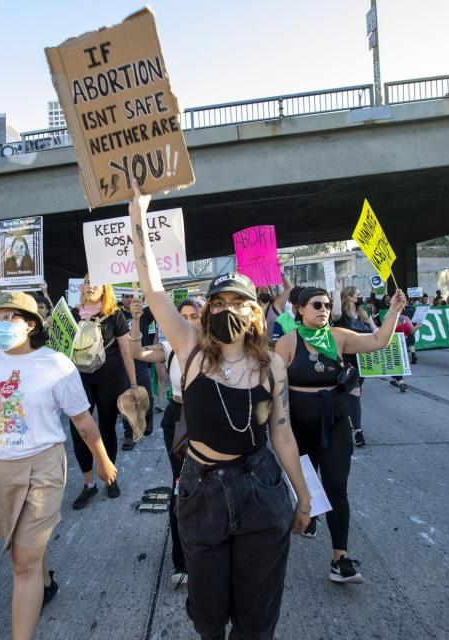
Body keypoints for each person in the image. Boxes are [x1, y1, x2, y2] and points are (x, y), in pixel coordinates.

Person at [129, 185, 310, 639]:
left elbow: (282, 434)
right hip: (202, 490)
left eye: (238, 303)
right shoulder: (189, 349)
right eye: (220, 303)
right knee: (208, 618)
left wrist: (303, 496)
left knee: (256, 620)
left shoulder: (271, 365)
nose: (228, 309)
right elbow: (152, 287)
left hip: (261, 488)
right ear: (207, 310)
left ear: (255, 313)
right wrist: (138, 217)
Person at [0, 291, 116, 640]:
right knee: (26, 546)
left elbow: (82, 419)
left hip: (43, 469)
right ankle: (47, 580)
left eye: (10, 318)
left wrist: (102, 459)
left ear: (31, 324)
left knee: (21, 562)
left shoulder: (56, 363)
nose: (0, 324)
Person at [277, 286, 406, 583]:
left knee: (336, 485)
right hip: (298, 426)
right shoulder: (286, 344)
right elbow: (274, 387)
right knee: (306, 485)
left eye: (327, 304)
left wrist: (395, 312)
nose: (323, 308)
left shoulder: (337, 336)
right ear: (299, 309)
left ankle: (340, 558)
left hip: (335, 421)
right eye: (316, 304)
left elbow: (377, 341)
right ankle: (308, 513)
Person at [128, 296, 203, 587]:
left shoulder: (217, 346)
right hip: (178, 418)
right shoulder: (169, 347)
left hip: (208, 418)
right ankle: (181, 559)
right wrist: (136, 318)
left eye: (194, 315)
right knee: (180, 486)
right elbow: (136, 352)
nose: (188, 320)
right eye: (182, 315)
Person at [69, 276, 141, 509]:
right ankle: (88, 484)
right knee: (79, 429)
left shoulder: (115, 315)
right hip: (79, 381)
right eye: (87, 282)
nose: (89, 286)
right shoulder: (71, 313)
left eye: (95, 283)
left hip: (111, 380)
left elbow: (126, 352)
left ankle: (110, 477)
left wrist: (133, 385)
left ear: (105, 289)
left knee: (106, 428)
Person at [332, 296, 377, 447]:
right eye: (356, 294)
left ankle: (345, 420)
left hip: (363, 362)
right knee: (354, 392)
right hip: (346, 362)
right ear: (349, 297)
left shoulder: (364, 315)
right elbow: (336, 312)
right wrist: (336, 289)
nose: (360, 298)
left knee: (351, 395)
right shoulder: (341, 317)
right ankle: (358, 431)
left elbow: (374, 329)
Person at [119, 291, 155, 448]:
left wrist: (148, 292)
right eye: (126, 297)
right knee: (126, 400)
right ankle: (129, 434)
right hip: (124, 365)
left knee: (147, 396)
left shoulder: (145, 314)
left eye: (132, 297)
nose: (129, 300)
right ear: (122, 299)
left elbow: (157, 305)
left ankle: (148, 420)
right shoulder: (117, 316)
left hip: (141, 362)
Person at [260, 272, 292, 341]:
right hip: (260, 348)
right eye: (261, 290)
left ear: (271, 293)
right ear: (257, 293)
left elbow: (288, 288)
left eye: (267, 290)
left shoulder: (276, 305)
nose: (264, 292)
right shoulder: (253, 308)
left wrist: (280, 272)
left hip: (279, 348)